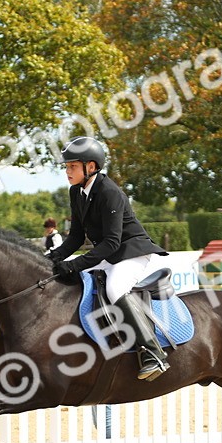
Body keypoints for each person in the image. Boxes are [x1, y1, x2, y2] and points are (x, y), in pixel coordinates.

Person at [46, 136, 171, 380]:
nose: (67, 171)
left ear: (90, 167)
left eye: (72, 166)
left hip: (132, 251)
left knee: (114, 288)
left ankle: (153, 353)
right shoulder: (76, 192)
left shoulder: (109, 192)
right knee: (81, 283)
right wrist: (51, 258)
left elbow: (112, 241)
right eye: (66, 167)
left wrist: (74, 264)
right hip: (111, 253)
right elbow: (75, 237)